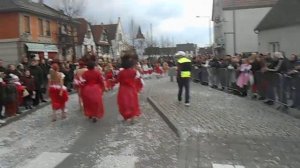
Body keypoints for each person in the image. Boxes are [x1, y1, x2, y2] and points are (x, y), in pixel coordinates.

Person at [117, 53, 143, 124]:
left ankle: (125, 117)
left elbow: (118, 80)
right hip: (132, 89)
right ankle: (133, 118)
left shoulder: (120, 72)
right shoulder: (134, 72)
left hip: (123, 90)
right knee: (133, 103)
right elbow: (138, 79)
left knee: (124, 104)